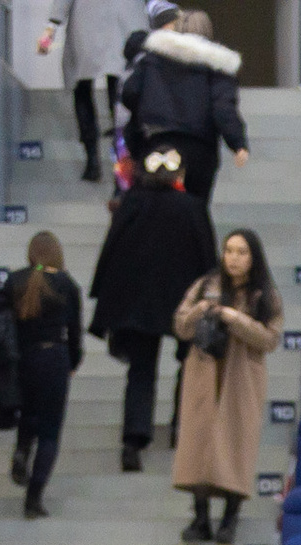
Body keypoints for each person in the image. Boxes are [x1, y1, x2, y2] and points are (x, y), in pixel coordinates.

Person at [87, 148, 215, 474]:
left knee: (141, 370)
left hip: (139, 302)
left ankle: (134, 440)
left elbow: (111, 249)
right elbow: (207, 257)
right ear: (179, 175)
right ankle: (180, 427)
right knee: (188, 363)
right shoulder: (193, 207)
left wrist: (101, 294)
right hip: (183, 301)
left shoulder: (133, 203)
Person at [170, 227, 279, 545]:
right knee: (198, 440)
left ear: (253, 257)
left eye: (241, 252)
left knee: (236, 441)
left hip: (241, 374)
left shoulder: (263, 294)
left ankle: (230, 518)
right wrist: (201, 310)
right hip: (203, 371)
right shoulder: (205, 285)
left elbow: (270, 339)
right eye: (229, 251)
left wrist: (235, 318)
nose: (233, 258)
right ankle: (200, 517)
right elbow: (180, 326)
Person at [121, 5, 248, 206]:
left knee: (156, 207)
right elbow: (223, 108)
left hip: (157, 142)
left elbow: (130, 93)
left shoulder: (153, 59)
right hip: (200, 148)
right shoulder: (217, 65)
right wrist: (238, 143)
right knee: (196, 207)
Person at [0, 235, 83, 522]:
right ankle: (33, 497)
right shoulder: (67, 284)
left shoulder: (15, 281)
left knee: (29, 412)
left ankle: (22, 450)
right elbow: (75, 330)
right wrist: (74, 361)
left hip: (24, 358)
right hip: (54, 357)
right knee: (50, 432)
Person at [40, 0, 143, 181]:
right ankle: (123, 160)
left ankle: (93, 160)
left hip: (86, 20)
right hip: (124, 20)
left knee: (83, 87)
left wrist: (51, 27)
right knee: (118, 90)